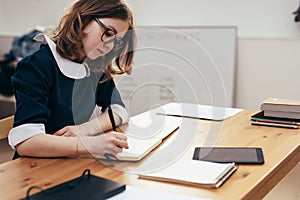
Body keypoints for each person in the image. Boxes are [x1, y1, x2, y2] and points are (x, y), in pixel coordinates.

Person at [8, 0, 136, 159]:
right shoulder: (37, 66)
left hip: (73, 160)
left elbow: (118, 110)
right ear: (83, 20)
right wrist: (88, 144)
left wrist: (85, 130)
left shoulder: (94, 65)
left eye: (118, 41)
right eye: (109, 33)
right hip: (36, 167)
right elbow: (27, 142)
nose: (110, 46)